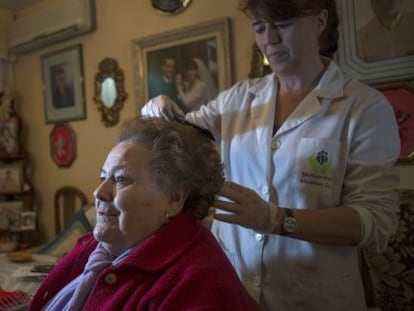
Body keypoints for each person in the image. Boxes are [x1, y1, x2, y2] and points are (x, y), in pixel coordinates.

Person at [141, 0, 400, 310]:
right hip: (231, 289)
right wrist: (155, 110)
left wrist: (276, 219)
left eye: (283, 24)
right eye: (260, 27)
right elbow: (180, 133)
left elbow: (374, 222)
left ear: (320, 22)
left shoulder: (364, 108)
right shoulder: (238, 98)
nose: (270, 39)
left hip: (314, 298)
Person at [28, 117, 257, 311]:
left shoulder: (199, 284)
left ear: (175, 198)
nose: (99, 192)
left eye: (120, 179)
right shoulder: (95, 248)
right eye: (103, 177)